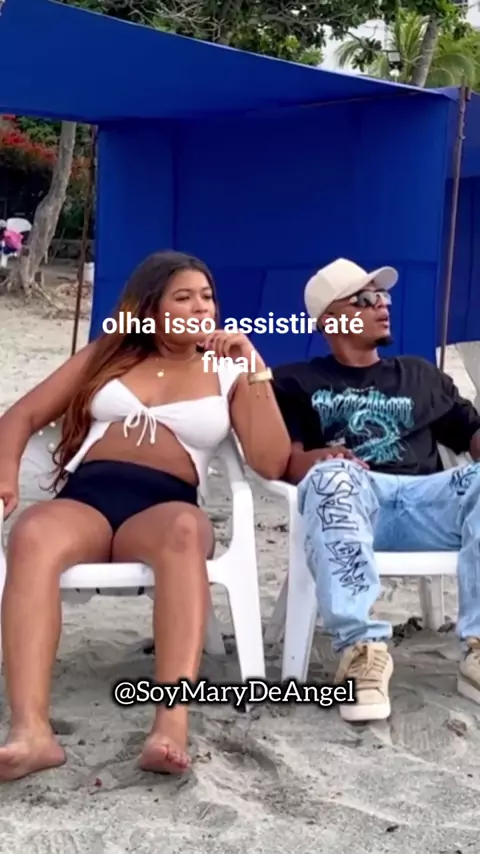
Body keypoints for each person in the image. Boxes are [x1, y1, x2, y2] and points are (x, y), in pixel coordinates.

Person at [0, 250, 291, 781]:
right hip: (87, 499)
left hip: (165, 506)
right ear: (150, 309)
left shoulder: (228, 369)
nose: (201, 307)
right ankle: (31, 732)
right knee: (33, 533)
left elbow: (271, 460)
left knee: (185, 530)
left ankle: (170, 726)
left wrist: (253, 363)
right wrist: (5, 476)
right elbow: (21, 416)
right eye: (184, 297)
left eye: (208, 297)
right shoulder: (107, 355)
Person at [273, 257, 480, 724]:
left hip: (429, 502)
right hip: (350, 501)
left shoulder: (420, 375)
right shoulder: (296, 382)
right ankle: (361, 652)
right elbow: (287, 462)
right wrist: (324, 457)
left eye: (383, 297)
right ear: (330, 320)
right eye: (365, 300)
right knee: (331, 476)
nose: (382, 306)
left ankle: (478, 651)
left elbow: (471, 435)